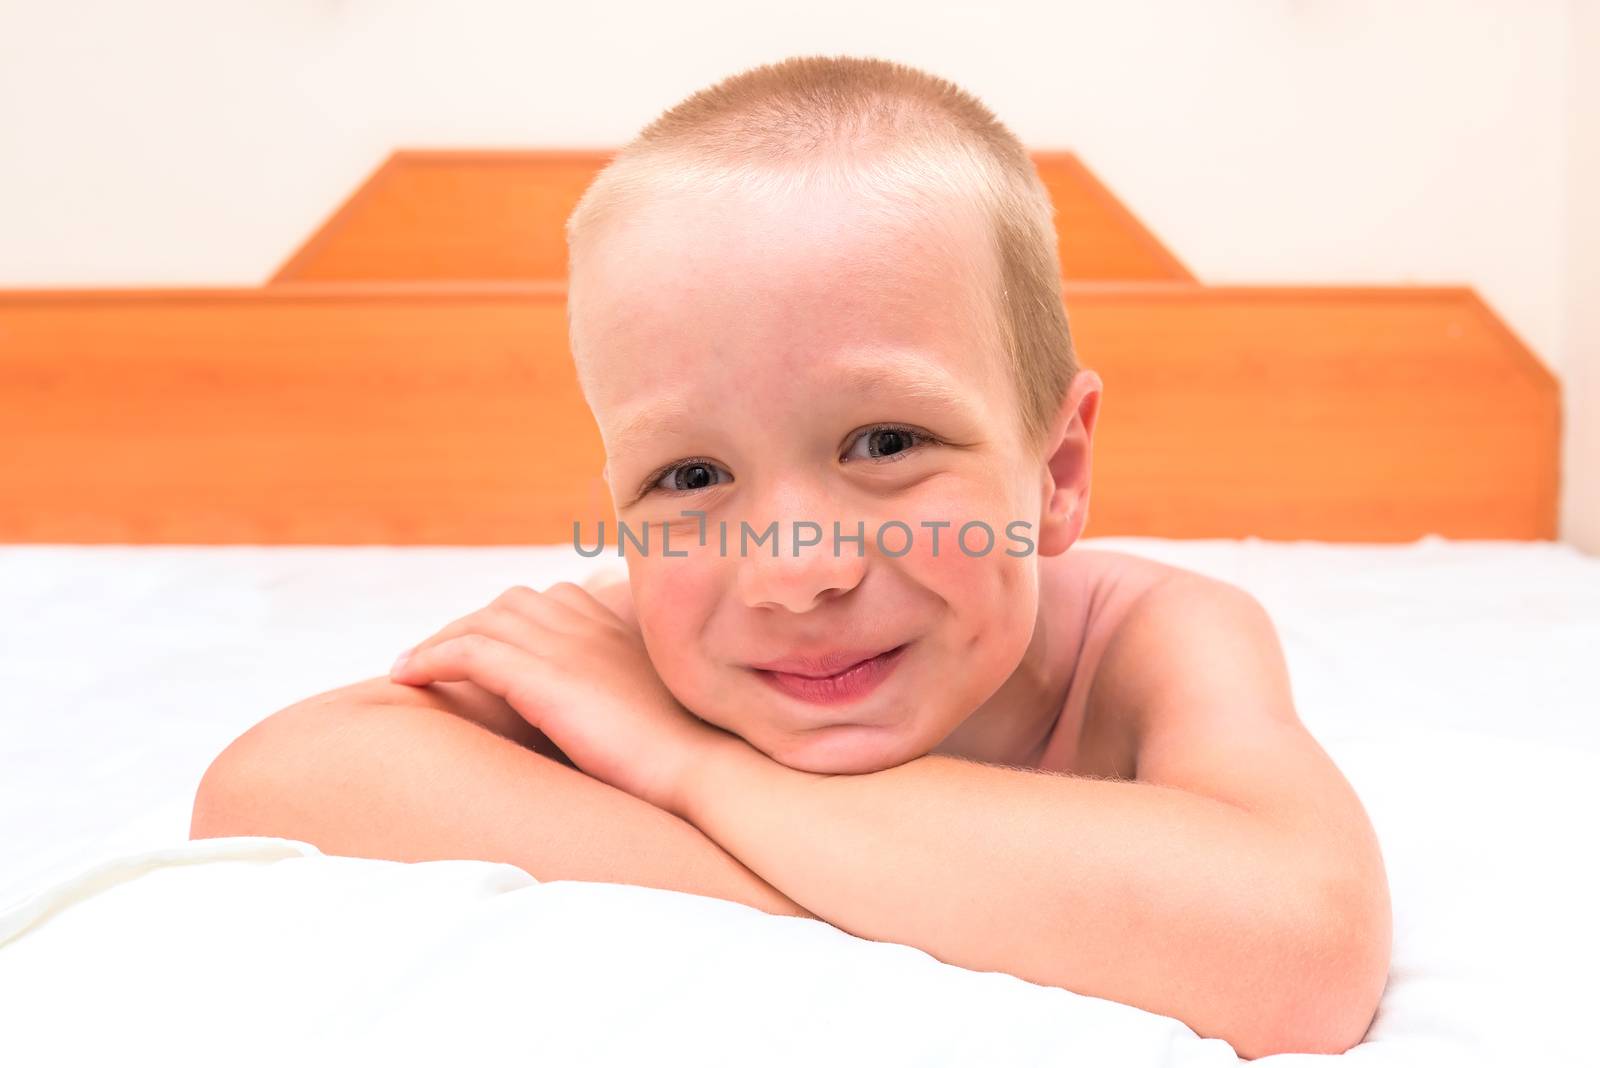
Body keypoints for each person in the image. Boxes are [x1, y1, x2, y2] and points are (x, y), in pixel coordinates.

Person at [191, 55, 1391, 1058]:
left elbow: (1308, 951)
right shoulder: (636, 643)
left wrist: (694, 773)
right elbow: (274, 783)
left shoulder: (1149, 638)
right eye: (690, 477)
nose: (793, 569)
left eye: (885, 441)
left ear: (1056, 476)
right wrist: (969, 900)